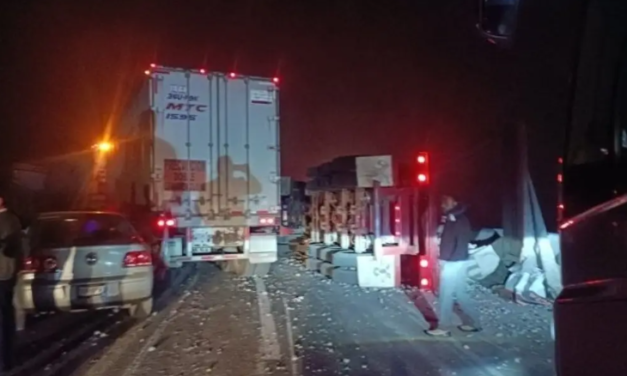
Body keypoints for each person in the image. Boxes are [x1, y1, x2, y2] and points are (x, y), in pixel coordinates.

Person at [425, 194, 482, 337]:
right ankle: (474, 323)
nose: (443, 204)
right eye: (442, 202)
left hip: (453, 262)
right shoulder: (454, 218)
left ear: (455, 202)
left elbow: (460, 242)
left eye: (446, 202)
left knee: (445, 294)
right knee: (461, 293)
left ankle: (444, 327)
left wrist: (446, 261)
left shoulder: (457, 219)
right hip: (459, 260)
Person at [0, 189, 22, 372]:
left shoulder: (9, 220)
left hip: (3, 274)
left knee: (3, 316)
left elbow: (11, 247)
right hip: (5, 272)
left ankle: (6, 359)